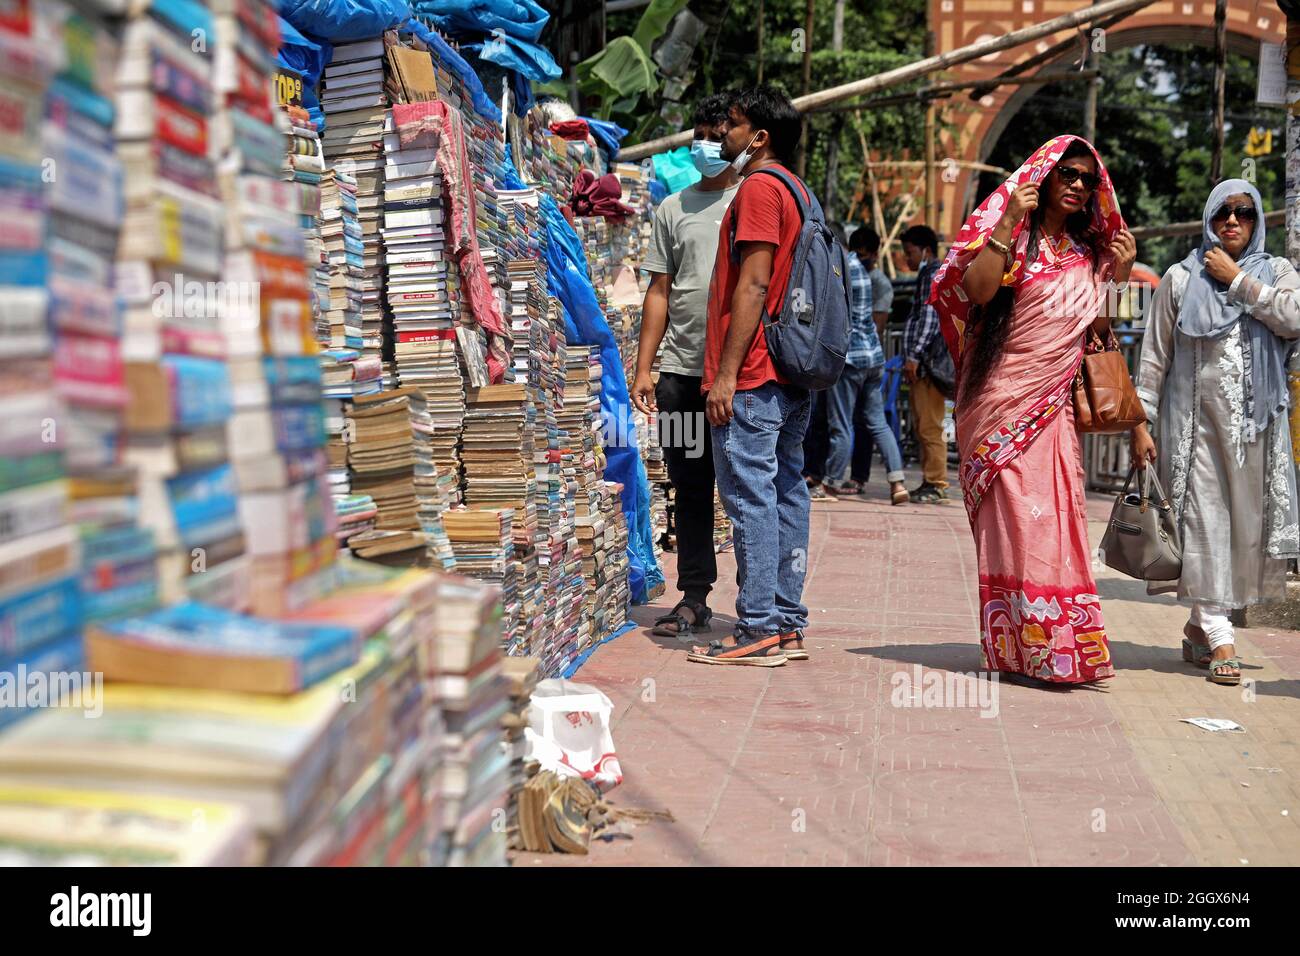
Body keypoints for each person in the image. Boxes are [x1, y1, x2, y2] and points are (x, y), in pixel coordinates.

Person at [929, 135, 1136, 685]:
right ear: (1042, 178)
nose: (1076, 185)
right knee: (1012, 524)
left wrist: (1120, 273)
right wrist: (1002, 228)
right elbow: (974, 292)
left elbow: (1100, 329)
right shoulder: (1015, 244)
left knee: (1053, 521)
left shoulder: (1089, 255)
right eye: (1067, 174)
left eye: (1087, 179)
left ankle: (1056, 647)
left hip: (1052, 407)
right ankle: (1018, 647)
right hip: (996, 402)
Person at [1134, 179, 1300, 686]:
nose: (1233, 220)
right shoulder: (1180, 280)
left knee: (1242, 533)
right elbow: (1153, 358)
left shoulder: (1276, 272)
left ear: (1257, 221)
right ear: (1209, 218)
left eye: (1244, 212)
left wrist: (1237, 282)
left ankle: (1196, 627)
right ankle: (1221, 634)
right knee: (1205, 525)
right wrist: (1140, 423)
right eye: (1223, 211)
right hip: (1193, 433)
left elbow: (1294, 318)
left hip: (1256, 434)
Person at [689, 84, 811, 665]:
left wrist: (727, 375)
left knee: (751, 500)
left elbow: (755, 284)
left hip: (757, 371)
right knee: (787, 492)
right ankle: (785, 621)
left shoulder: (760, 188)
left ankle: (756, 625)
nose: (721, 136)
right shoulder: (798, 190)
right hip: (790, 371)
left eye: (731, 126)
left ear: (758, 137)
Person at [631, 92, 740, 641]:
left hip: (743, 376)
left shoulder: (755, 200)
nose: (708, 146)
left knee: (747, 487)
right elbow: (658, 291)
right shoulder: (671, 208)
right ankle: (694, 596)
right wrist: (644, 367)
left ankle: (762, 602)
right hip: (679, 376)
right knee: (690, 484)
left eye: (718, 136)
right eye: (700, 134)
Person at [815, 230, 909, 505]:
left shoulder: (839, 268)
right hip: (873, 357)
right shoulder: (861, 269)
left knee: (840, 425)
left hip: (851, 358)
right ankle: (898, 482)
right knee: (878, 423)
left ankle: (830, 485)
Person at [900, 224, 949, 502]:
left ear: (925, 251)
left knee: (930, 425)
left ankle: (937, 483)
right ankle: (930, 480)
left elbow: (929, 318)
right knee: (924, 424)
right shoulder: (930, 273)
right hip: (925, 362)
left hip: (927, 363)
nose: (907, 258)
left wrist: (913, 356)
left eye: (910, 252)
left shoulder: (932, 274)